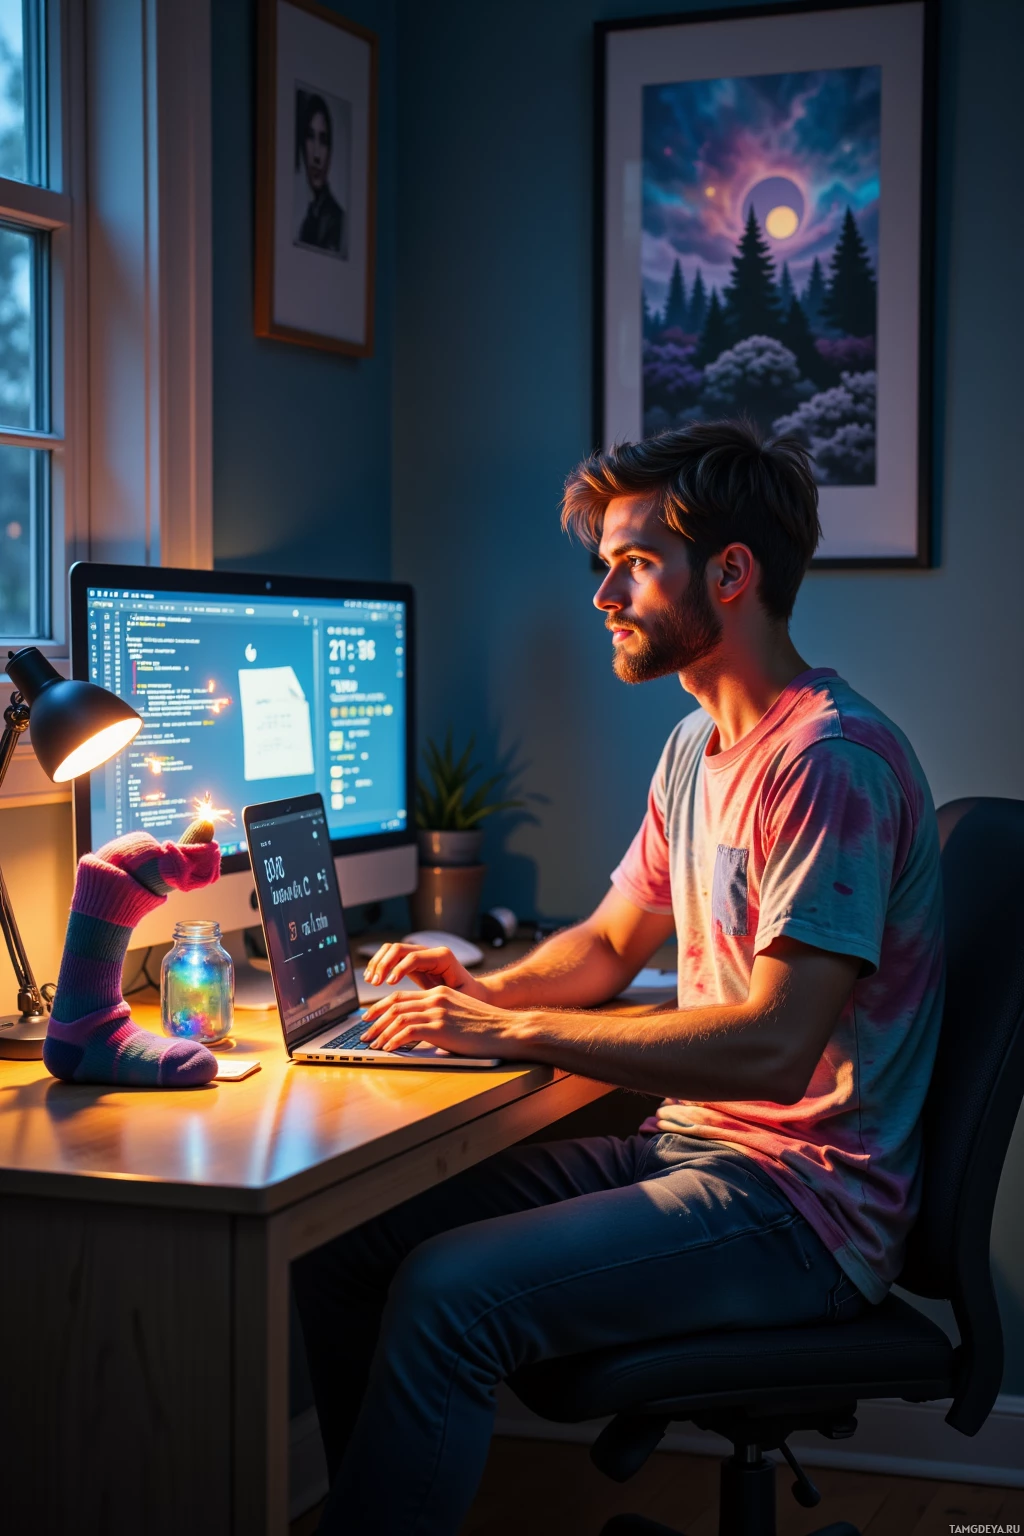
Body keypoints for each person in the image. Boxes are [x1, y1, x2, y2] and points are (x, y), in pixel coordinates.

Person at [293, 418, 945, 1536]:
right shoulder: (696, 746)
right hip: (697, 1152)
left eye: (635, 563)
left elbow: (773, 1045)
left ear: (730, 574)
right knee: (347, 1250)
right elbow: (605, 944)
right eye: (605, 565)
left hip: (804, 1208)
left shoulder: (827, 763)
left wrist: (516, 1036)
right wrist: (486, 994)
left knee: (448, 1297)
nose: (603, 595)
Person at [296, 91, 344, 254]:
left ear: (330, 150)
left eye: (323, 141)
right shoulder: (306, 220)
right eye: (310, 137)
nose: (316, 155)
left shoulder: (336, 220)